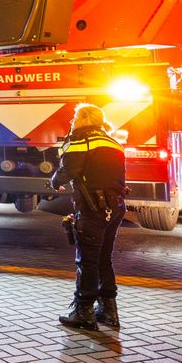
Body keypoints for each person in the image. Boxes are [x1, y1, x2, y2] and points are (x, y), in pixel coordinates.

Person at [51, 103, 127, 331]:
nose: (72, 120)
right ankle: (108, 311)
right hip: (115, 207)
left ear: (83, 119)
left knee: (86, 261)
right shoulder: (112, 141)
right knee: (104, 259)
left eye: (75, 116)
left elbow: (69, 170)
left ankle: (83, 312)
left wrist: (55, 181)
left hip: (93, 208)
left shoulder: (80, 140)